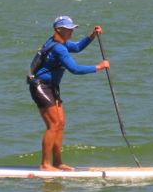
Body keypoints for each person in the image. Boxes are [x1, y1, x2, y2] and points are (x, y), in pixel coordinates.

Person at [28, 15, 110, 171]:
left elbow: (77, 47)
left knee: (60, 123)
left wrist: (92, 36)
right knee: (53, 125)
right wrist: (98, 67)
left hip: (52, 87)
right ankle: (45, 164)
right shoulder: (58, 48)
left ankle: (57, 162)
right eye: (68, 29)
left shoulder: (61, 42)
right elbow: (75, 69)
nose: (71, 31)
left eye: (72, 28)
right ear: (58, 30)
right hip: (41, 87)